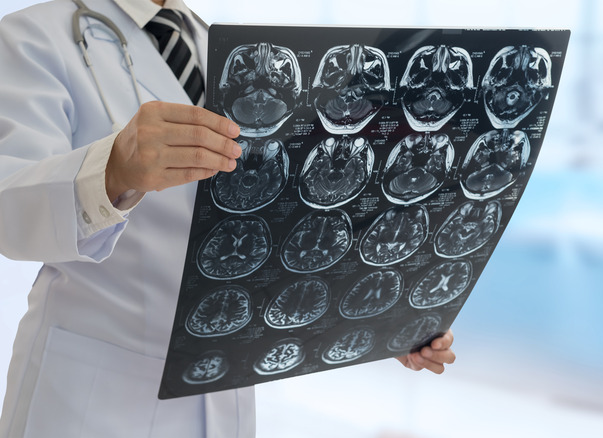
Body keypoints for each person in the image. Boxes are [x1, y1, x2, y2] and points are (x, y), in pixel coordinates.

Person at [0, 0, 456, 436]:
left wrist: (376, 319)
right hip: (92, 395)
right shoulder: (32, 38)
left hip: (224, 388)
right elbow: (7, 208)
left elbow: (286, 216)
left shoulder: (225, 48)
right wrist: (112, 169)